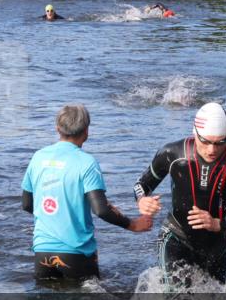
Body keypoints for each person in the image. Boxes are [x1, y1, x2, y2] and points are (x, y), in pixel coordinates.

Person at [22, 105, 152, 282]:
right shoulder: (87, 162)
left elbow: (28, 205)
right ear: (86, 131)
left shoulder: (38, 157)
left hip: (42, 251)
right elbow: (101, 210)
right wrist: (133, 225)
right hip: (76, 253)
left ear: (57, 128)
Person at [134, 103, 226, 286]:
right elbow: (141, 185)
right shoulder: (172, 153)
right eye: (205, 141)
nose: (211, 150)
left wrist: (217, 224)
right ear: (195, 133)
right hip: (175, 236)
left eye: (219, 142)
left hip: (215, 246)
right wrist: (142, 200)